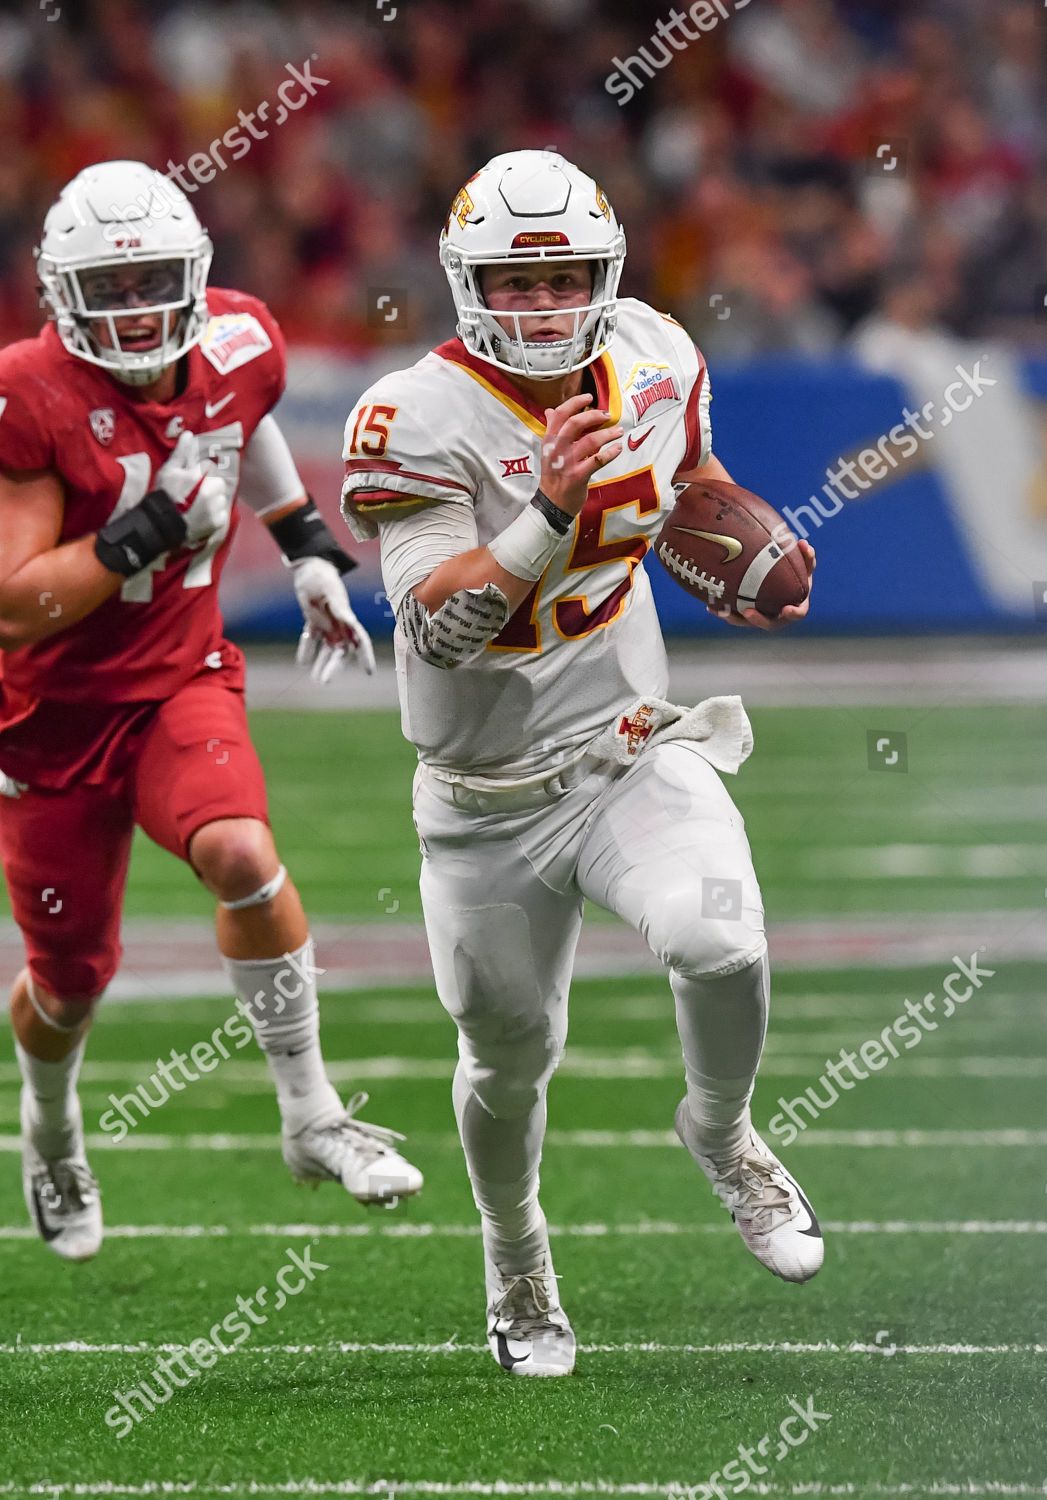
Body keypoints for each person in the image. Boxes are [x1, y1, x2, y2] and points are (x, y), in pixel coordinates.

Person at [339, 150, 821, 1378]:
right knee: (508, 1059)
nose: (542, 305)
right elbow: (438, 622)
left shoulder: (656, 353)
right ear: (466, 283)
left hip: (623, 748)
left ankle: (721, 1133)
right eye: (514, 279)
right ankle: (515, 1256)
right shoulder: (414, 415)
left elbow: (689, 486)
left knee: (722, 938)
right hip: (482, 802)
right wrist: (545, 514)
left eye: (566, 279)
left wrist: (736, 545)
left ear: (605, 278)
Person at [0, 160, 422, 1263]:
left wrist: (310, 548)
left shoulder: (238, 340)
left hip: (182, 676)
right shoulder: (30, 395)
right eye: (112, 282)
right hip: (49, 719)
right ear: (60, 292)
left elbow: (245, 423)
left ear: (195, 276)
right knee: (70, 979)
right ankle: (48, 1127)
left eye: (154, 278)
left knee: (240, 851)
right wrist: (141, 532)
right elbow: (13, 607)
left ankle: (312, 1114)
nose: (137, 305)